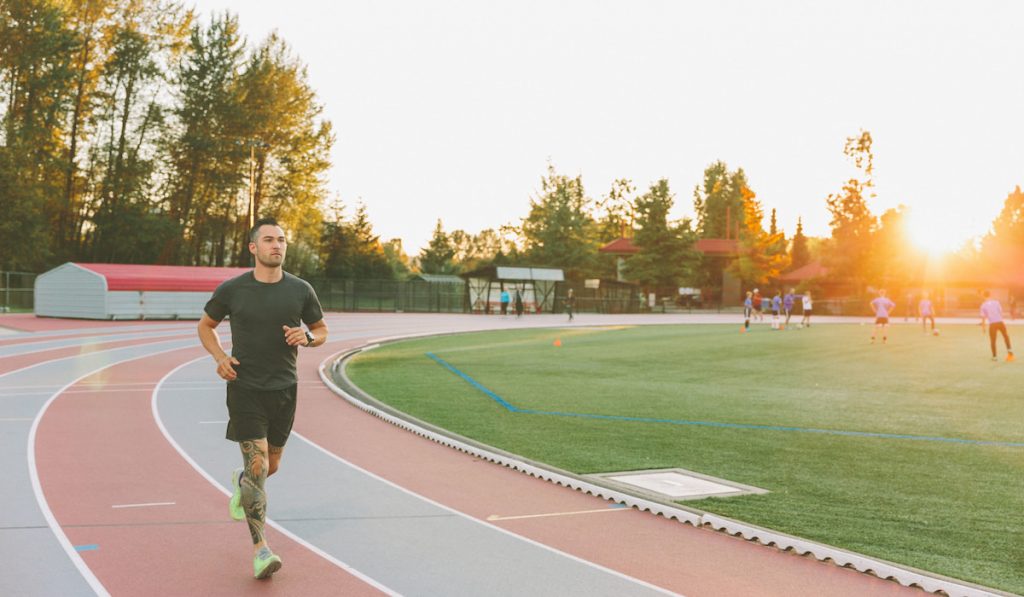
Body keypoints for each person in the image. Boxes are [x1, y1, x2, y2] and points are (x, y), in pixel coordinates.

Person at [197, 217, 328, 580]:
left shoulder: (301, 290)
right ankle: (261, 549)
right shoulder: (233, 289)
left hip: (285, 390)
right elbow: (205, 326)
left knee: (270, 467)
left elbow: (321, 330)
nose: (277, 245)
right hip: (245, 388)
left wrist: (309, 338)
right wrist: (220, 358)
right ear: (253, 248)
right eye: (269, 239)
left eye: (282, 240)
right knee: (258, 471)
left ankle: (242, 483)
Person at [980, 291, 1014, 362]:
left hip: (992, 324)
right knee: (1006, 337)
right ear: (990, 295)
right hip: (1000, 322)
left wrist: (983, 327)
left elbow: (983, 317)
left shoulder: (983, 305)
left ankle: (995, 357)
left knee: (993, 341)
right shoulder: (996, 302)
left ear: (983, 296)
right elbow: (1000, 312)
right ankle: (1010, 354)